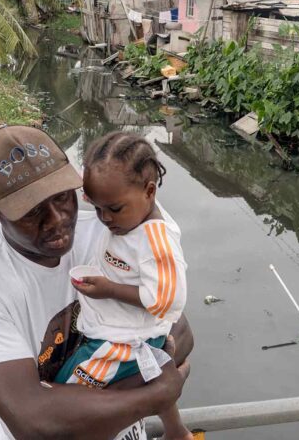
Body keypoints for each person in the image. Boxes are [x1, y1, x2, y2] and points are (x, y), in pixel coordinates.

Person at [0, 126, 193, 440]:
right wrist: (154, 394)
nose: (57, 219)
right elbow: (34, 422)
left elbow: (179, 330)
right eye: (32, 211)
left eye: (62, 197)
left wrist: (78, 408)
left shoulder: (110, 230)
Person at [57, 131, 192, 440]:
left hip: (122, 342)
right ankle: (177, 432)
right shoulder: (132, 215)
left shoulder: (156, 241)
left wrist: (108, 289)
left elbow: (168, 301)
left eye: (113, 209)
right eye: (96, 206)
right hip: (120, 332)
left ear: (149, 191)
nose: (104, 219)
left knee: (64, 393)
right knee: (153, 377)